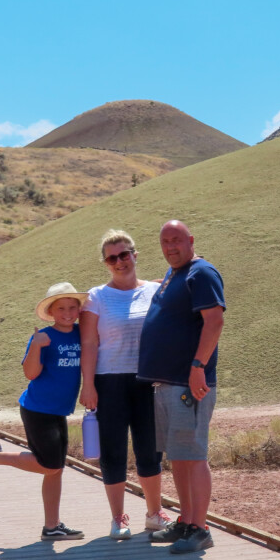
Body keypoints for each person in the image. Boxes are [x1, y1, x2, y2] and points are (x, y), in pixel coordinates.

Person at [0, 282, 87, 541]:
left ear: (78, 310)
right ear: (51, 312)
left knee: (56, 468)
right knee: (50, 465)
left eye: (72, 307)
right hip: (37, 409)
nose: (67, 312)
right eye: (61, 308)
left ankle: (52, 526)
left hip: (59, 412)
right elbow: (30, 373)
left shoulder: (81, 333)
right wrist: (36, 345)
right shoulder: (44, 336)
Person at [138, 220, 225, 554]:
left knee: (193, 453)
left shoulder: (201, 273)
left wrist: (198, 366)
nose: (170, 247)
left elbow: (214, 321)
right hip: (168, 384)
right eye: (164, 242)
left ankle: (201, 528)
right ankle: (186, 522)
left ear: (191, 240)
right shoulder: (176, 275)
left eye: (176, 240)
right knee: (179, 456)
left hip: (189, 383)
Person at [79, 229, 172, 539]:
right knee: (114, 451)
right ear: (106, 264)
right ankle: (118, 519)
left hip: (148, 381)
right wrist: (88, 385)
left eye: (124, 254)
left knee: (151, 450)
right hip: (109, 382)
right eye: (112, 258)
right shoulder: (96, 297)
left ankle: (154, 514)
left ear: (135, 255)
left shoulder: (156, 291)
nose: (119, 261)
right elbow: (90, 343)